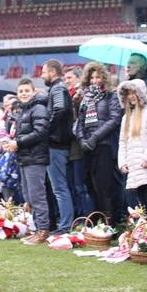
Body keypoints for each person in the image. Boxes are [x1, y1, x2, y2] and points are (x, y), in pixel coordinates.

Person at [75, 62, 121, 220]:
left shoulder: (111, 96)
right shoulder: (84, 99)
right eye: (91, 77)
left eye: (98, 77)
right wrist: (82, 139)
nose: (95, 80)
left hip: (104, 145)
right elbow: (79, 122)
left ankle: (110, 221)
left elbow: (114, 119)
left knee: (105, 185)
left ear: (104, 78)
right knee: (89, 184)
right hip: (87, 147)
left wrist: (95, 137)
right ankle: (96, 220)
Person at [7, 78, 51, 245]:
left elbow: (40, 132)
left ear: (33, 92)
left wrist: (18, 143)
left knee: (37, 196)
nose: (24, 94)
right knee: (29, 196)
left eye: (26, 90)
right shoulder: (22, 111)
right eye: (21, 91)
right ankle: (37, 229)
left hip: (36, 158)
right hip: (25, 158)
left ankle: (43, 231)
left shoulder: (38, 108)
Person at [117, 79, 147, 223]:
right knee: (141, 203)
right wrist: (122, 162)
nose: (131, 96)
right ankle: (146, 234)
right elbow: (122, 142)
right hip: (134, 167)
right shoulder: (126, 117)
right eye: (128, 94)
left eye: (134, 93)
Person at [41, 59, 75, 234]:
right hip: (57, 143)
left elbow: (60, 110)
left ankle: (65, 226)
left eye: (44, 72)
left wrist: (46, 131)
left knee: (60, 187)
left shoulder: (58, 88)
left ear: (53, 72)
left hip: (56, 144)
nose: (41, 75)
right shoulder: (57, 89)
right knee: (58, 187)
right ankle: (63, 224)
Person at [63, 66, 92, 216]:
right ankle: (78, 216)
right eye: (65, 78)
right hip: (68, 148)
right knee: (73, 186)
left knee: (81, 186)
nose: (66, 81)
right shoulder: (67, 95)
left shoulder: (81, 95)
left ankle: (86, 217)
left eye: (70, 78)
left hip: (79, 147)